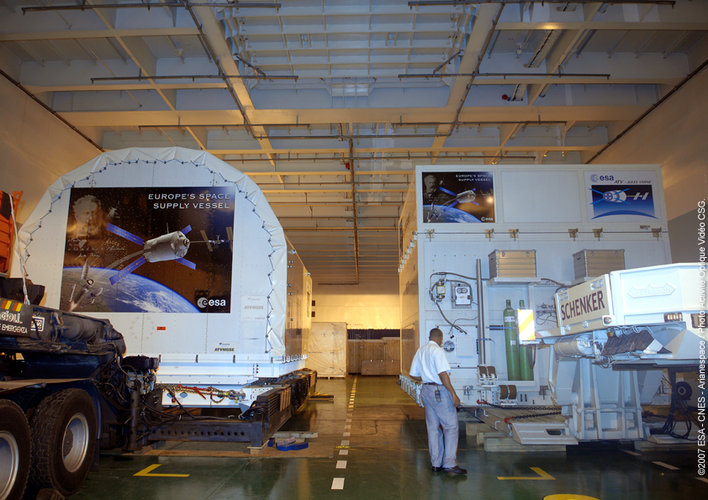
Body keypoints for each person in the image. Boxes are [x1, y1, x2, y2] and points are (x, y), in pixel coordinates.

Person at [409, 328, 467, 475]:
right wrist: (453, 394)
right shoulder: (437, 351)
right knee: (451, 427)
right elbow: (443, 374)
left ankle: (436, 463)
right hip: (439, 392)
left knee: (433, 428)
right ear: (440, 338)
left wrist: (427, 378)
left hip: (426, 391)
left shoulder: (421, 350)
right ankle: (449, 463)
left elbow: (413, 374)